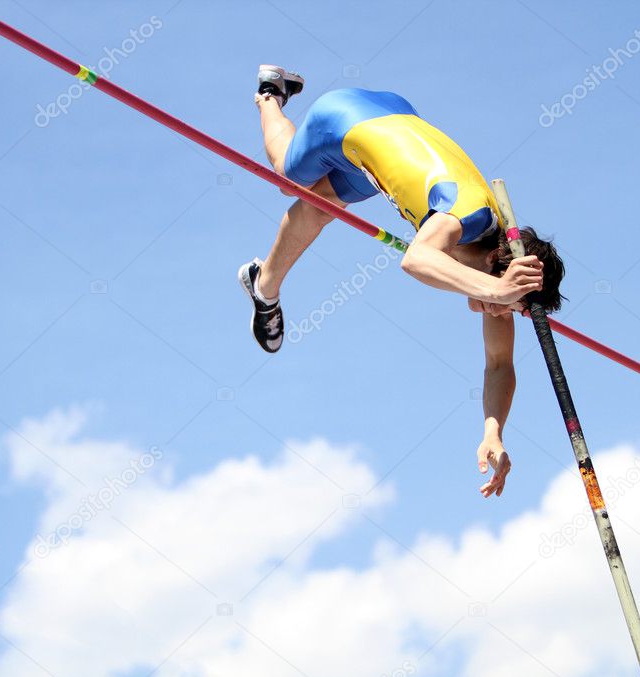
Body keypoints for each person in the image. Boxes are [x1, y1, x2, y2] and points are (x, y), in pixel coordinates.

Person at [238, 65, 566, 497]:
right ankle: (270, 93)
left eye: (512, 309)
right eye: (508, 304)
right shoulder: (469, 220)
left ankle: (264, 286)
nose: (501, 315)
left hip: (391, 124)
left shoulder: (498, 271)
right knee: (288, 178)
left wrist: (494, 432)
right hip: (345, 120)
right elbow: (415, 260)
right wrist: (498, 292)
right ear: (493, 266)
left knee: (319, 205)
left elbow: (499, 365)